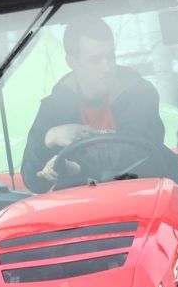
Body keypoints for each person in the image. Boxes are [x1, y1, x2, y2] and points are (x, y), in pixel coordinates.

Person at [20, 17, 165, 193]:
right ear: (72, 62)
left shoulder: (139, 94)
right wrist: (48, 139)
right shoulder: (54, 107)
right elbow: (33, 180)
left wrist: (77, 166)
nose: (106, 67)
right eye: (95, 60)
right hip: (82, 210)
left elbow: (140, 150)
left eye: (110, 56)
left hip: (141, 196)